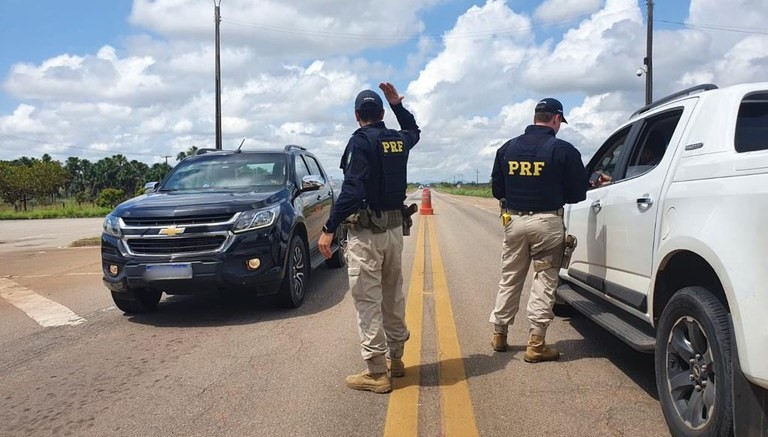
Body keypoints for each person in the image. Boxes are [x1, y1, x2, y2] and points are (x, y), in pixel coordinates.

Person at [318, 82, 420, 393]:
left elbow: (352, 190)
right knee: (392, 295)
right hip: (393, 232)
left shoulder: (361, 142)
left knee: (367, 301)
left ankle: (377, 373)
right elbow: (414, 131)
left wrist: (328, 228)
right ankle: (397, 361)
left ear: (357, 115)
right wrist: (398, 106)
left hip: (367, 234)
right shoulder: (397, 140)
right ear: (380, 113)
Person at [489, 97, 587, 362]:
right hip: (547, 223)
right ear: (556, 119)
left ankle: (500, 334)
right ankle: (536, 342)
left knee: (510, 277)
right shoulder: (563, 150)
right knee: (544, 279)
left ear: (535, 117)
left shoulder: (507, 148)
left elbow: (497, 189)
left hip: (514, 221)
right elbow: (579, 193)